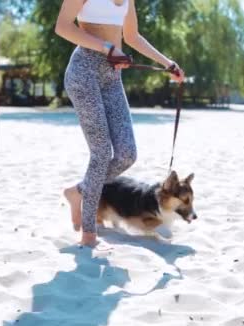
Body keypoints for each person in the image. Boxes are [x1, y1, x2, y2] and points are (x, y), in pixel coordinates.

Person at [55, 0, 185, 247]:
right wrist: (107, 48)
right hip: (83, 72)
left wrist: (167, 63)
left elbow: (132, 36)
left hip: (112, 76)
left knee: (127, 153)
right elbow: (62, 27)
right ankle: (89, 233)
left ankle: (78, 192)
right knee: (101, 153)